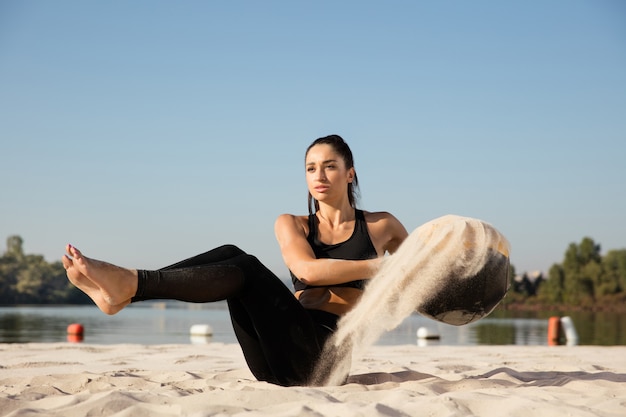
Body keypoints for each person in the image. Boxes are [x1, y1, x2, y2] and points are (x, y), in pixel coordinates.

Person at [63, 134, 408, 386]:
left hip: (323, 361)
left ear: (350, 174)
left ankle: (129, 287)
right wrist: (378, 267)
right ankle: (127, 289)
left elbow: (426, 276)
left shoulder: (381, 226)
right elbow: (307, 271)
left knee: (245, 268)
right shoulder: (293, 224)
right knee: (233, 256)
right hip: (276, 355)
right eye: (310, 168)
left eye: (329, 166)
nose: (318, 176)